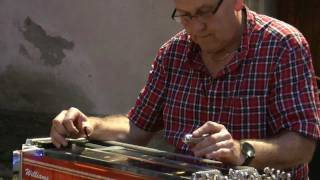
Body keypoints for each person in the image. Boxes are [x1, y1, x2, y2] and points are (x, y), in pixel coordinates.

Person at [50, 0, 320, 179]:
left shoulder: (283, 45)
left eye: (205, 11)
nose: (197, 27)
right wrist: (87, 126)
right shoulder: (174, 52)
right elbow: (137, 128)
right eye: (186, 16)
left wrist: (241, 151)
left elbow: (302, 146)